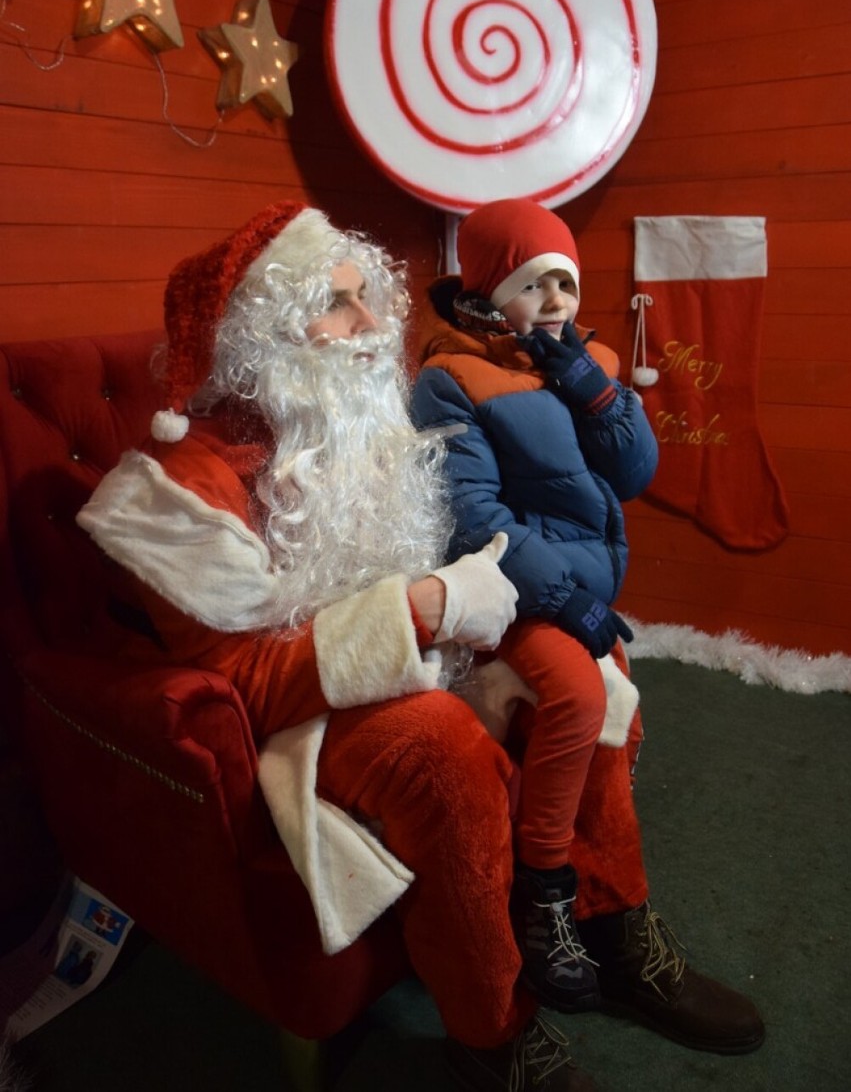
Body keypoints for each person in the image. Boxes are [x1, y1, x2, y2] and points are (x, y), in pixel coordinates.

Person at [76, 201, 598, 1092]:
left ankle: (609, 918)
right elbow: (243, 676)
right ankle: (492, 1033)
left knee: (584, 668)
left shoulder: (348, 415)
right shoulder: (180, 488)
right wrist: (429, 610)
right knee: (439, 753)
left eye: (368, 298)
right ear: (261, 336)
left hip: (408, 651)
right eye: (338, 303)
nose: (372, 325)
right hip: (295, 713)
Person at [411, 198, 765, 1062]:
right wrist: (565, 601)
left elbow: (636, 471)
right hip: (511, 589)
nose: (559, 298)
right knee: (575, 693)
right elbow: (472, 516)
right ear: (492, 294)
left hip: (588, 588)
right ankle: (546, 896)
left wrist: (593, 388)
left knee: (619, 716)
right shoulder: (451, 377)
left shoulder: (589, 360)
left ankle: (614, 928)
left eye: (567, 280)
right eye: (536, 283)